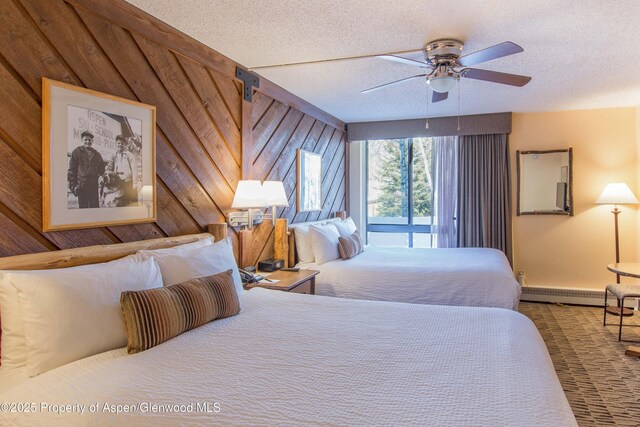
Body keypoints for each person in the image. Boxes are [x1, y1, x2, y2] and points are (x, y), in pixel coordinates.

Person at [67, 130, 105, 209]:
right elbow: (71, 171)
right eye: (85, 140)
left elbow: (102, 170)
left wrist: (101, 176)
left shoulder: (97, 154)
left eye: (89, 140)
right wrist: (74, 186)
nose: (87, 141)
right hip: (81, 187)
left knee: (94, 209)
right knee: (83, 210)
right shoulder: (76, 152)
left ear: (92, 141)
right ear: (82, 140)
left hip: (93, 187)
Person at [107, 135, 136, 206]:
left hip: (128, 181)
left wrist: (135, 183)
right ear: (116, 144)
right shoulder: (114, 155)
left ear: (125, 145)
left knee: (129, 200)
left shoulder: (129, 155)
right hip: (118, 182)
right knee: (119, 200)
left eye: (122, 143)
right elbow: (109, 167)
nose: (120, 145)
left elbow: (134, 169)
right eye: (118, 143)